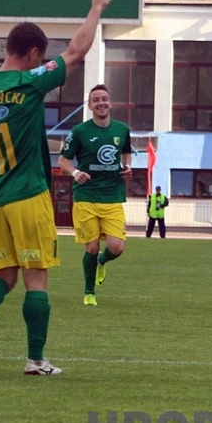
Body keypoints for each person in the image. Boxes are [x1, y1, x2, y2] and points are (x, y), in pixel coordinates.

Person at [0, 0, 112, 376]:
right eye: (40, 59)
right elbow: (77, 51)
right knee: (36, 279)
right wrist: (95, 8)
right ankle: (36, 360)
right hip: (29, 194)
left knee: (4, 276)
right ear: (33, 53)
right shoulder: (29, 81)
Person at [57, 84, 132, 307]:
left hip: (112, 196)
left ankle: (102, 261)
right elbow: (62, 160)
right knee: (91, 246)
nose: (101, 102)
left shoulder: (122, 129)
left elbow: (126, 152)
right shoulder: (79, 131)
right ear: (90, 106)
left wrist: (127, 167)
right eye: (96, 100)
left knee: (117, 247)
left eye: (104, 99)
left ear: (110, 103)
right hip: (86, 197)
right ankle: (89, 293)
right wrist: (75, 172)